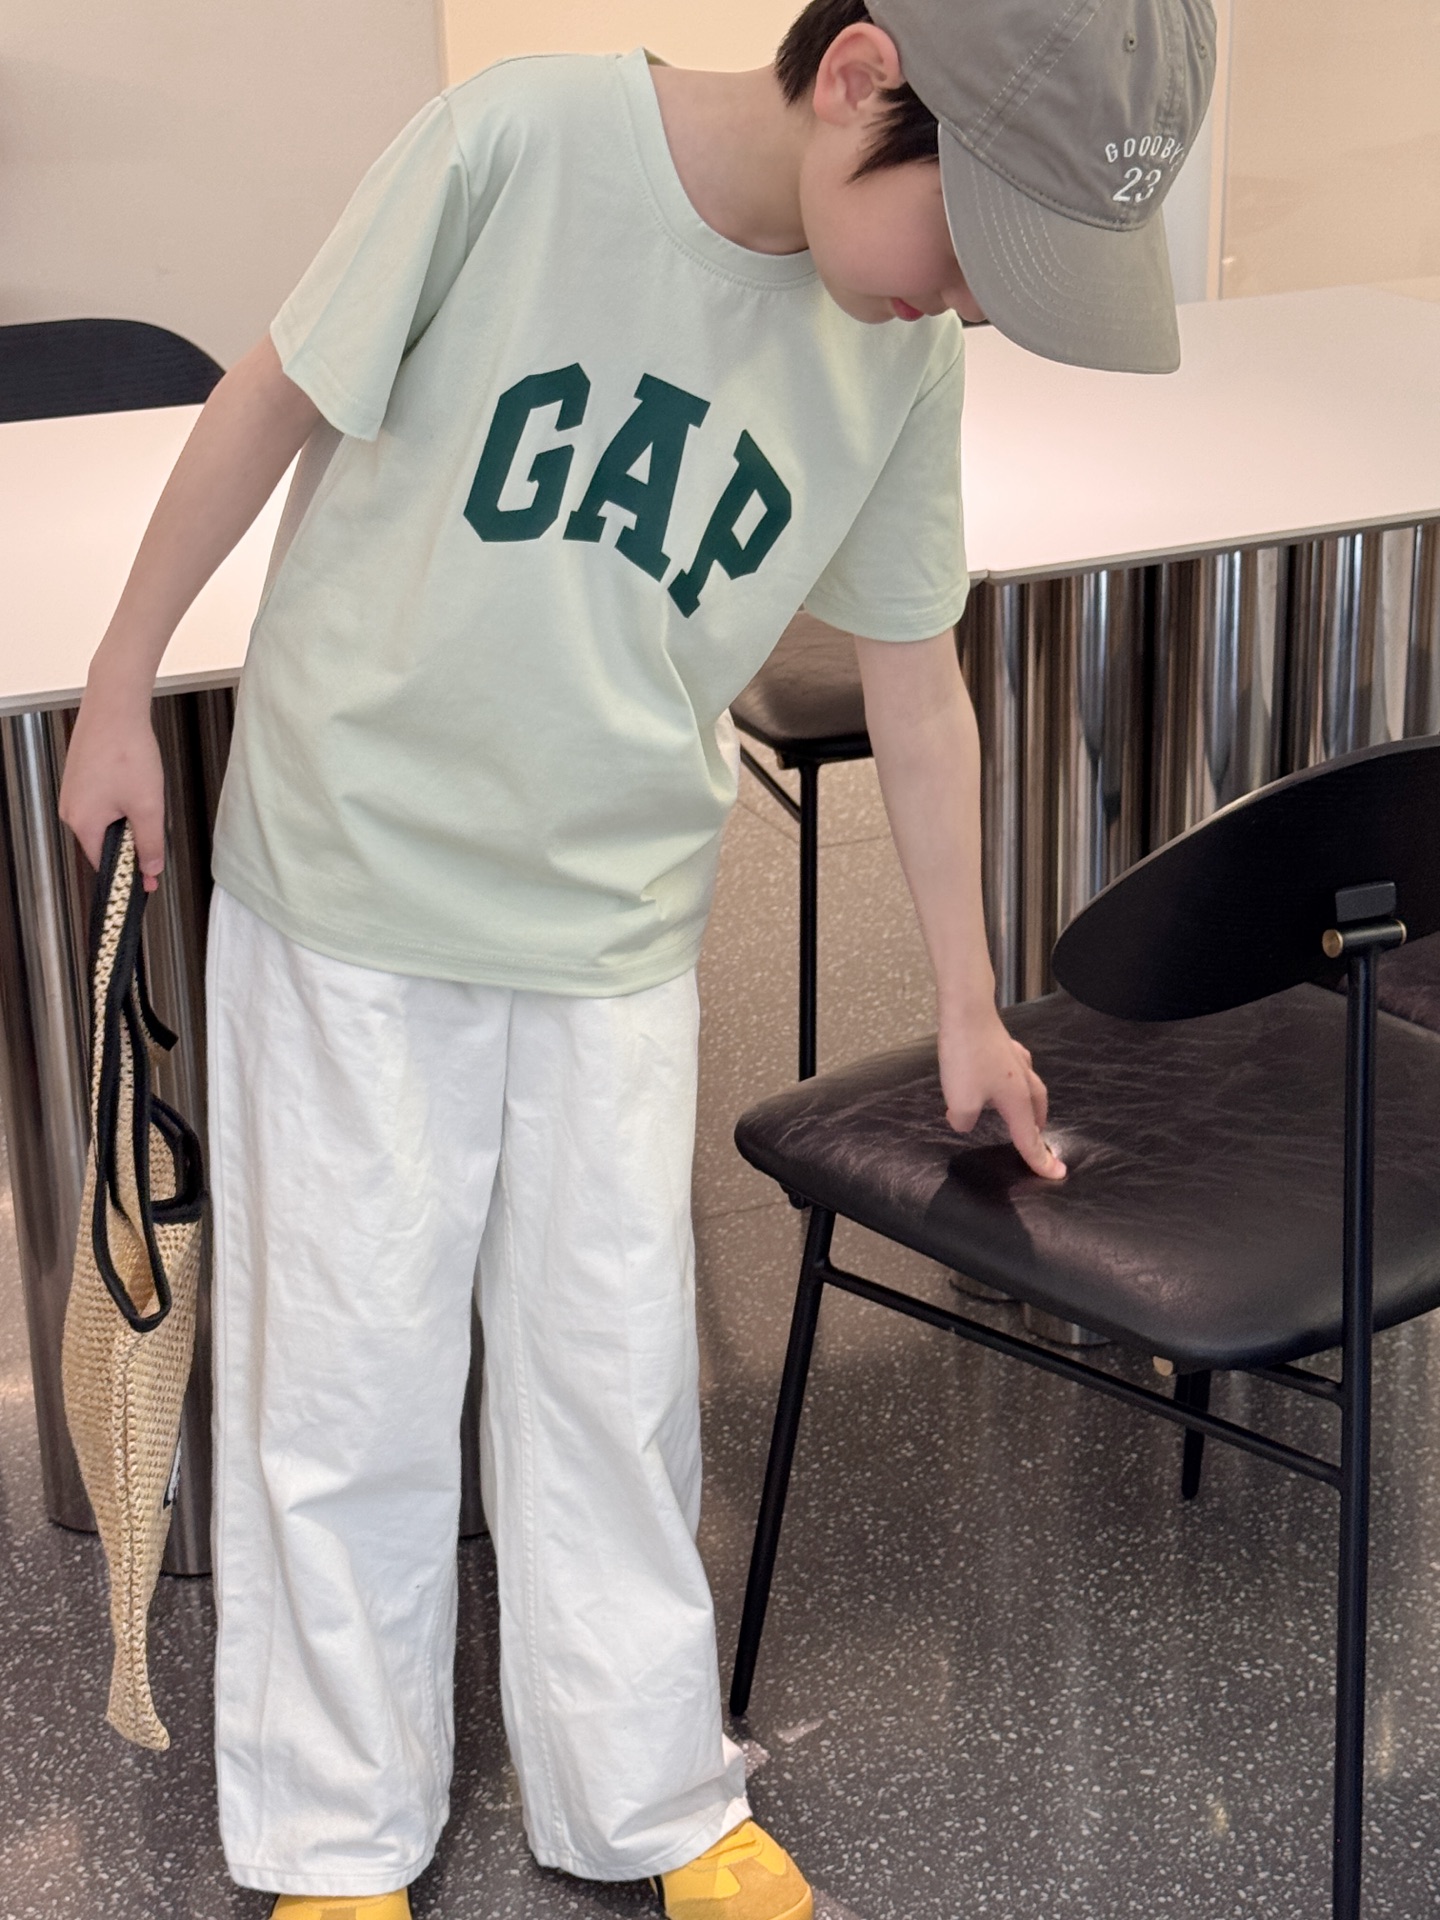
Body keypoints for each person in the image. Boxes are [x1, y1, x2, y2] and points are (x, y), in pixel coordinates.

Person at [58, 0, 1213, 1914]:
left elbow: (919, 684)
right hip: (354, 881)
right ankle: (336, 1832)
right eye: (973, 246)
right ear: (861, 80)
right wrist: (117, 691)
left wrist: (966, 994)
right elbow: (267, 397)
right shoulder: (514, 147)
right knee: (345, 1381)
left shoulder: (898, 353)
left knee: (612, 1380)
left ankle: (646, 1791)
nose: (969, 306)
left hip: (613, 920)